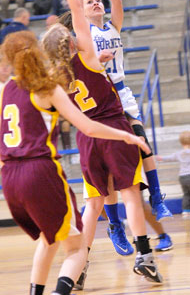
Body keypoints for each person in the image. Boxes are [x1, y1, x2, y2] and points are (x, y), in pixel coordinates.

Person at [42, 0, 163, 286]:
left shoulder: (57, 77)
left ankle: (78, 263)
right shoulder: (91, 58)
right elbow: (76, 9)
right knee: (129, 194)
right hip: (112, 125)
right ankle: (144, 255)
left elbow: (78, 10)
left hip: (87, 136)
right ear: (72, 42)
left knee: (93, 206)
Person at [0, 30, 150, 295]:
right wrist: (126, 135)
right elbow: (89, 127)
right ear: (37, 52)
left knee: (50, 238)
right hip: (40, 170)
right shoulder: (47, 88)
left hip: (9, 177)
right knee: (77, 246)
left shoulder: (4, 91)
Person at [156, 131, 190, 218]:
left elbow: (169, 158)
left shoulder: (179, 154)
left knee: (186, 194)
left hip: (182, 177)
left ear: (181, 142)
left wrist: (161, 158)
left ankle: (185, 212)